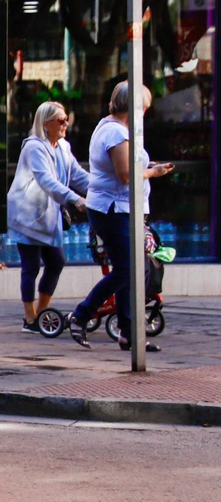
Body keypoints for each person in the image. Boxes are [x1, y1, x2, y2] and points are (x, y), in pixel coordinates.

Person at [68, 82, 175, 351]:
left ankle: (129, 332)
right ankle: (81, 315)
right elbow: (125, 175)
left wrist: (147, 167)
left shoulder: (114, 128)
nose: (145, 113)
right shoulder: (116, 133)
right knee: (128, 268)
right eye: (144, 108)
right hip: (113, 210)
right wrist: (154, 172)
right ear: (135, 107)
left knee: (129, 269)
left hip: (119, 209)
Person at [7, 102, 88, 332]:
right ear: (45, 124)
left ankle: (43, 312)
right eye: (60, 120)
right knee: (30, 267)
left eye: (66, 119)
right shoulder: (34, 147)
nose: (65, 124)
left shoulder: (63, 147)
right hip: (27, 216)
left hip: (48, 217)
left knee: (56, 261)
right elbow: (46, 181)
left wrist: (103, 189)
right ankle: (30, 318)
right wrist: (75, 199)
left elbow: (78, 176)